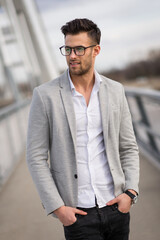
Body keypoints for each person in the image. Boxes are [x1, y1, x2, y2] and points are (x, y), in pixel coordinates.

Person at [26, 18, 139, 240]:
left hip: (116, 205)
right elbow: (35, 157)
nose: (72, 55)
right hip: (77, 214)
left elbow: (128, 147)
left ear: (96, 50)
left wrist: (131, 192)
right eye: (67, 49)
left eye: (79, 49)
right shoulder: (45, 95)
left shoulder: (115, 91)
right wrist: (58, 208)